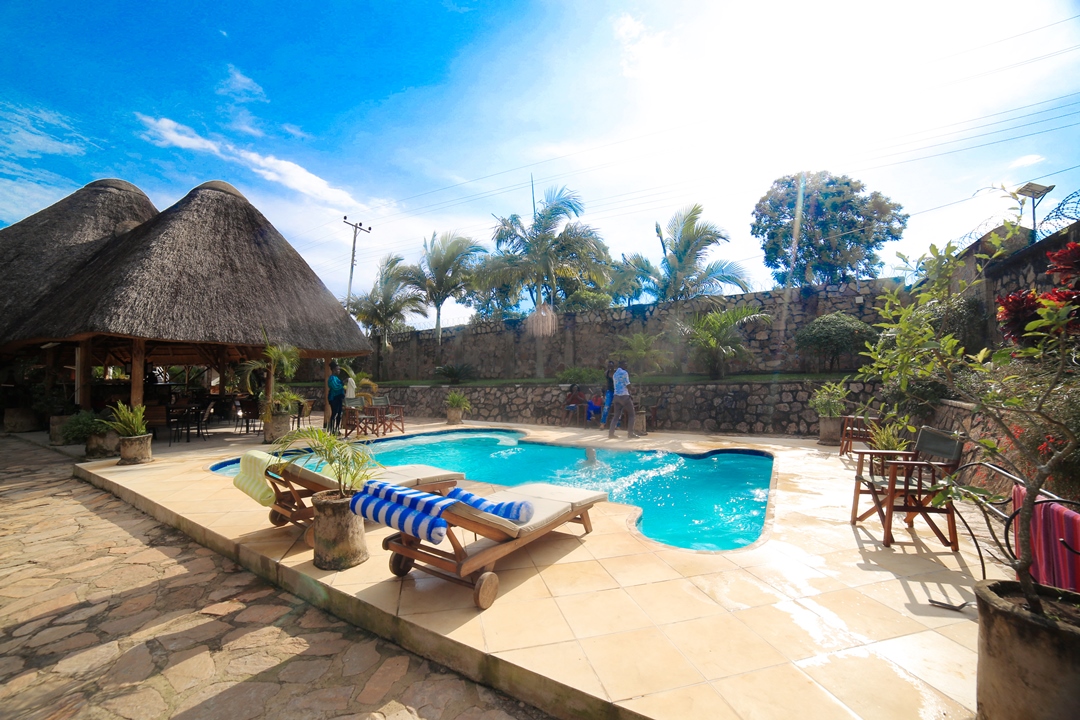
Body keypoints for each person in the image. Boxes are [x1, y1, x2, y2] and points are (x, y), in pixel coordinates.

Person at [607, 359, 644, 439]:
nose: (626, 366)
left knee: (616, 416)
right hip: (624, 397)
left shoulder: (615, 374)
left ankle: (611, 434)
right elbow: (628, 385)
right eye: (625, 364)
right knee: (632, 415)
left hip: (616, 397)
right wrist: (633, 389)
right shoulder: (624, 373)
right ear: (622, 365)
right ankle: (630, 434)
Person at [327, 361, 345, 433]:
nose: (339, 371)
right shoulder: (331, 378)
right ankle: (332, 430)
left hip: (339, 398)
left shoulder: (336, 378)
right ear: (334, 370)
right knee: (334, 413)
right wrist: (343, 383)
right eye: (338, 369)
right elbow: (335, 387)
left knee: (339, 414)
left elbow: (340, 385)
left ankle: (337, 428)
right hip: (333, 398)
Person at [600, 361, 615, 426]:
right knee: (606, 407)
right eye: (609, 366)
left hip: (616, 391)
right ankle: (602, 423)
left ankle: (617, 424)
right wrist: (604, 393)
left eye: (611, 366)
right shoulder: (606, 373)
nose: (610, 368)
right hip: (609, 391)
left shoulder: (616, 373)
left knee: (618, 407)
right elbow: (607, 383)